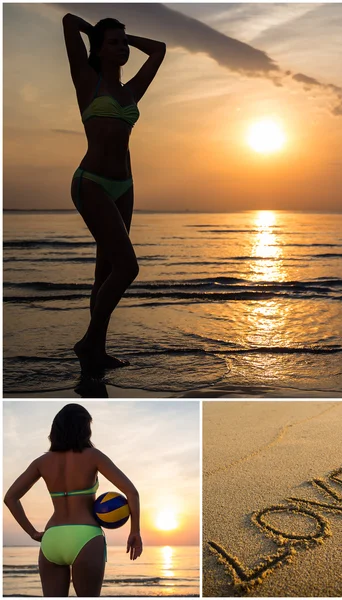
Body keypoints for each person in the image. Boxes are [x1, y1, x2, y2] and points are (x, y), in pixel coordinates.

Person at [62, 14, 166, 374]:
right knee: (128, 267)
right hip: (91, 182)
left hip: (125, 187)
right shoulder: (86, 80)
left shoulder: (131, 90)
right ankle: (89, 341)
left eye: (123, 43)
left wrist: (122, 37)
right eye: (114, 43)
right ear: (99, 50)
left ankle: (97, 352)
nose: (122, 48)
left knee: (105, 272)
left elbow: (158, 50)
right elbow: (67, 20)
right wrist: (95, 34)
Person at [4, 403, 142, 597]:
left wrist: (33, 533)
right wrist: (135, 531)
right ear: (84, 428)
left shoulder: (41, 462)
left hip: (52, 538)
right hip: (86, 536)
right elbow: (132, 492)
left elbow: (10, 498)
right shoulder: (93, 456)